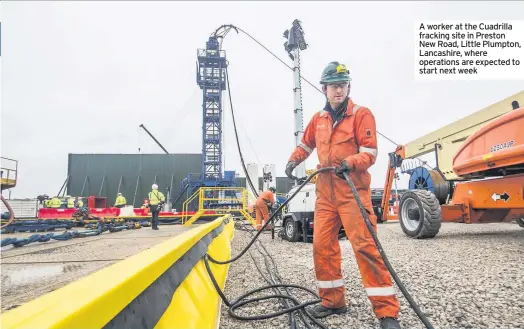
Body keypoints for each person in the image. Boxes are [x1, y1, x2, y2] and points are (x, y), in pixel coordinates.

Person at [284, 62, 401, 329]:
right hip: (325, 196)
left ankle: (387, 312)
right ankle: (333, 301)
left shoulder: (361, 115)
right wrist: (293, 161)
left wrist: (351, 162)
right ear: (324, 89)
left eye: (342, 85)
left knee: (366, 248)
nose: (338, 90)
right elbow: (305, 144)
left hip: (352, 193)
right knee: (322, 247)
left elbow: (370, 152)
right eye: (333, 86)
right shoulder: (318, 120)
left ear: (348, 87)